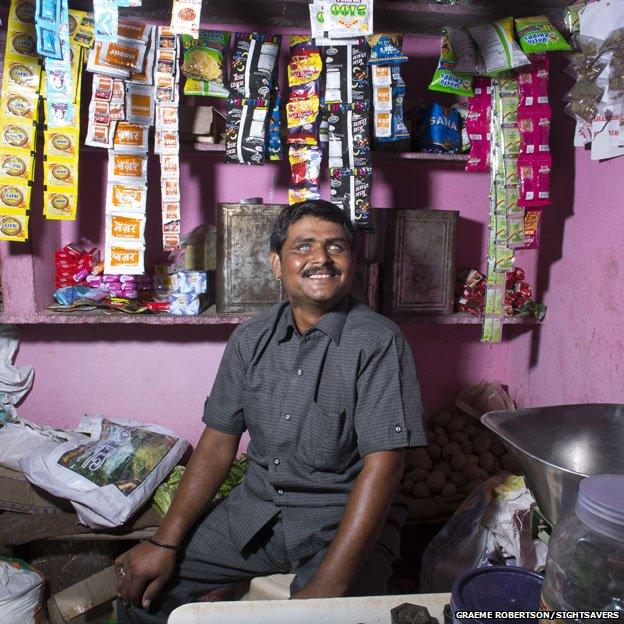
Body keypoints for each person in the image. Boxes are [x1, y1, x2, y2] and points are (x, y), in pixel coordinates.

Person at [116, 200, 426, 623]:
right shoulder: (250, 339)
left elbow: (385, 467)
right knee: (145, 590)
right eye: (304, 247)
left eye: (336, 247)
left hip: (339, 524)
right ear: (277, 264)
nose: (321, 258)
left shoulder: (377, 342)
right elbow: (218, 443)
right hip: (256, 511)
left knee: (328, 619)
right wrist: (164, 543)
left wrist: (328, 586)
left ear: (351, 262)